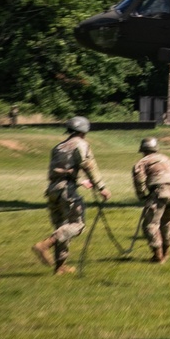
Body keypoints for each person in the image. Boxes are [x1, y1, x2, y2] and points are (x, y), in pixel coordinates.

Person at [32, 116, 111, 275]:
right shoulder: (81, 144)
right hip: (67, 191)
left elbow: (56, 171)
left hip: (53, 190)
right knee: (77, 225)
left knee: (62, 228)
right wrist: (101, 187)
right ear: (84, 130)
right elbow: (89, 165)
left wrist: (80, 181)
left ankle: (60, 267)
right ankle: (45, 245)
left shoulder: (58, 147)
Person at [132, 137, 170, 263]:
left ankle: (158, 257)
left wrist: (142, 196)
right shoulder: (166, 159)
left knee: (150, 225)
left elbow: (139, 181)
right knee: (167, 223)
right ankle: (166, 253)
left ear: (143, 149)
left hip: (158, 193)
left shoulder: (142, 163)